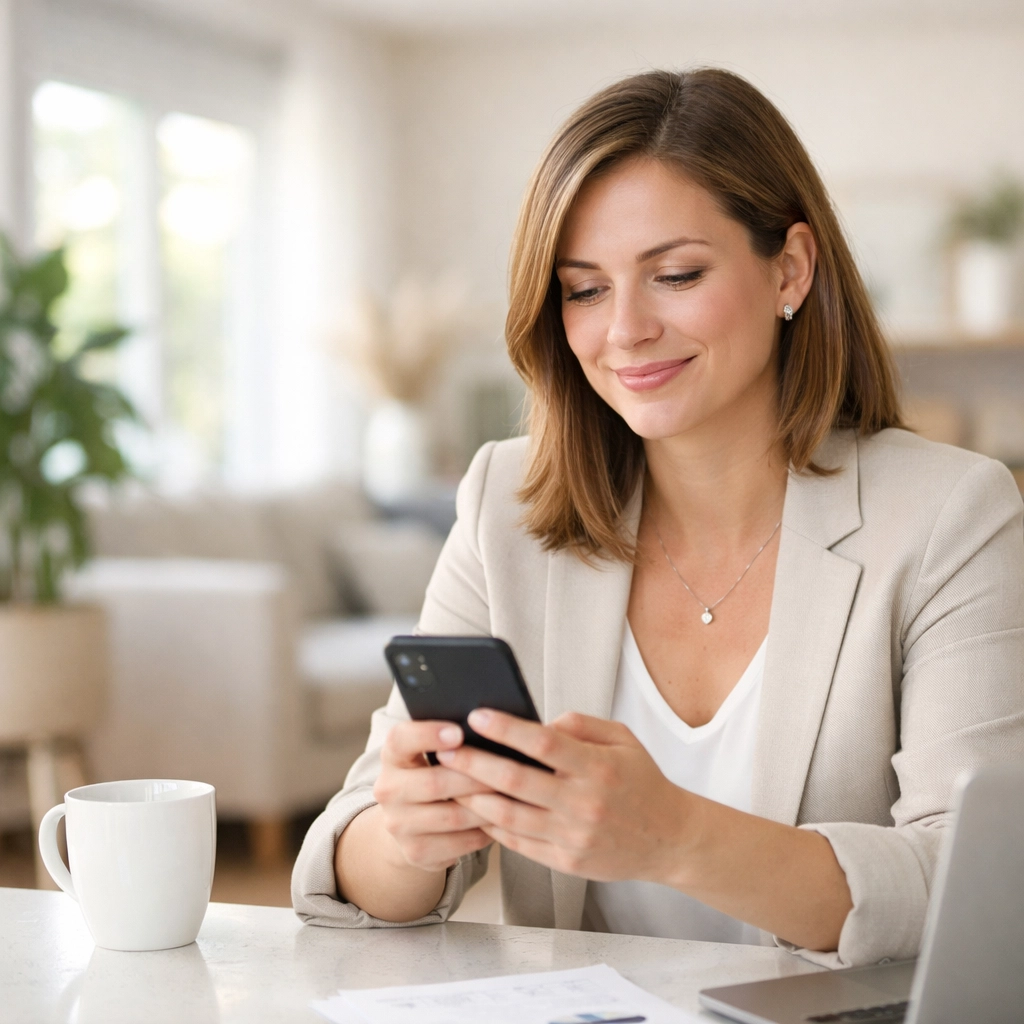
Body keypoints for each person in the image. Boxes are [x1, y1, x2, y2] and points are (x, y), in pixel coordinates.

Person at [291, 68, 1024, 968]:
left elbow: (980, 880)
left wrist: (675, 835)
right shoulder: (507, 504)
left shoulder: (953, 514)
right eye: (584, 290)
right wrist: (405, 835)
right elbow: (354, 858)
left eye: (675, 274)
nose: (624, 329)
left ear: (790, 268)